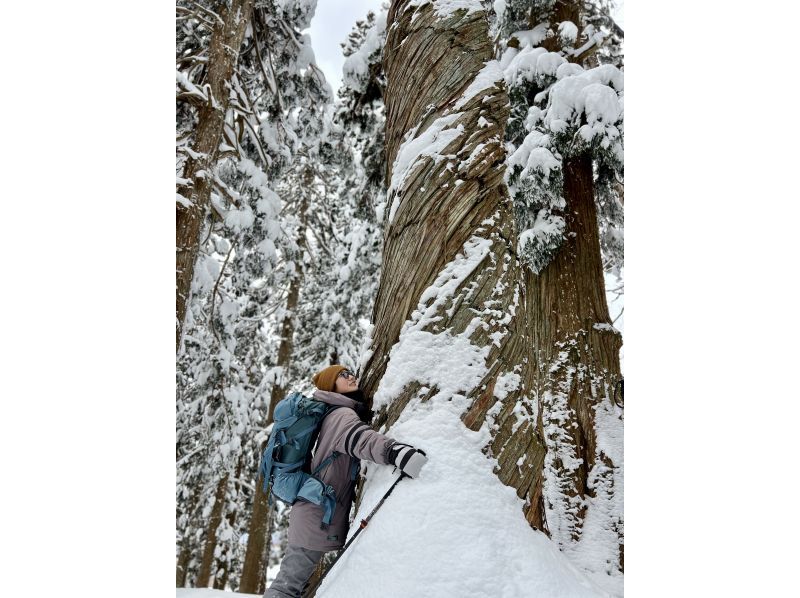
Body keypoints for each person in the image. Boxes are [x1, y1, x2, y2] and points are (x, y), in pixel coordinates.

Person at [264, 364, 428, 598]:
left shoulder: (333, 413)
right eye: (343, 375)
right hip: (315, 514)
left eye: (350, 372)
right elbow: (360, 439)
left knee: (293, 586)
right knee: (287, 587)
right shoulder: (341, 414)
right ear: (331, 385)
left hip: (314, 510)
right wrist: (395, 451)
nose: (351, 377)